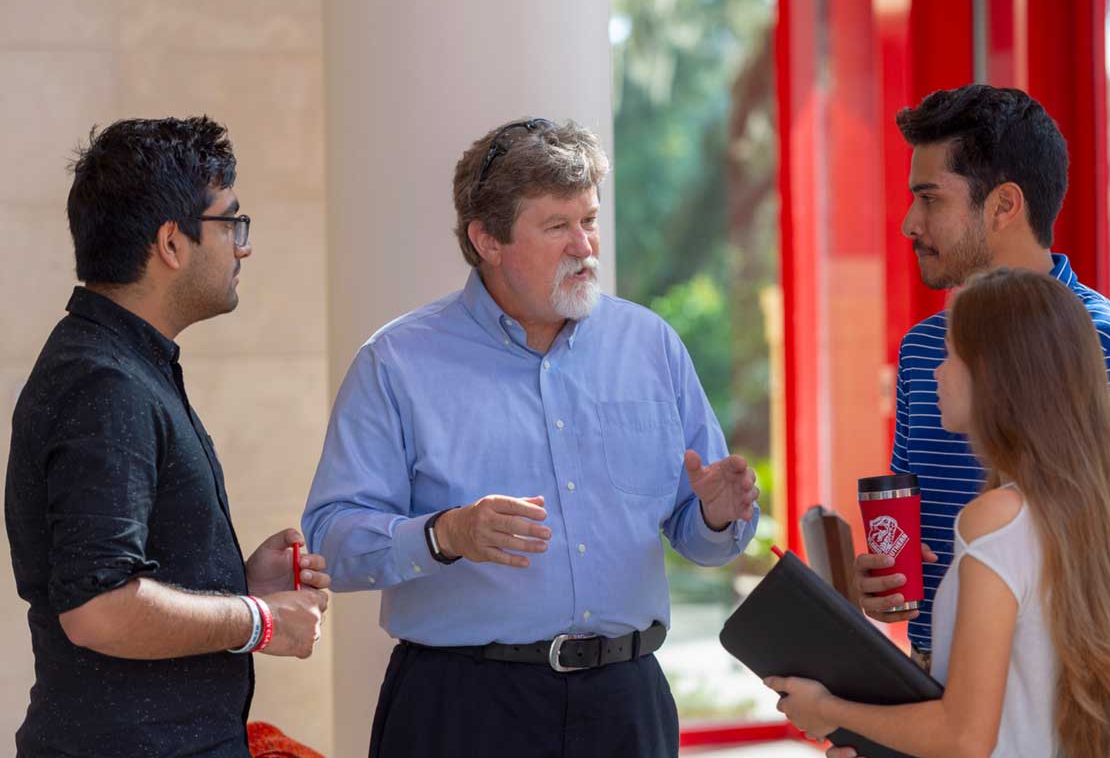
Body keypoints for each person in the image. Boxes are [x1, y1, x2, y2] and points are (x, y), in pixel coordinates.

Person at [302, 117, 760, 758]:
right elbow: (330, 541)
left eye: (590, 220)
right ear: (486, 239)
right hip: (462, 709)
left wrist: (714, 515)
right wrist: (445, 535)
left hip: (627, 706)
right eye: (558, 227)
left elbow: (705, 540)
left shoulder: (650, 345)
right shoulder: (396, 362)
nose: (586, 247)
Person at [5, 117, 330, 757]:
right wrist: (259, 621)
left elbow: (117, 585)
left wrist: (233, 584)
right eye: (230, 222)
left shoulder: (122, 362)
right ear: (172, 244)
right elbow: (99, 606)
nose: (243, 246)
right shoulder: (106, 382)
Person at [768, 267, 1110, 757]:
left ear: (999, 375)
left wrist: (829, 710)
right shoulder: (1086, 512)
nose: (937, 370)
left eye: (953, 355)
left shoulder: (994, 521)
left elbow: (964, 738)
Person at [855, 84, 1110, 659]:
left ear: (1005, 205)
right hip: (931, 687)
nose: (910, 223)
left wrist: (1076, 695)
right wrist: (881, 580)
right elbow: (911, 528)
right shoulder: (921, 351)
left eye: (930, 198)